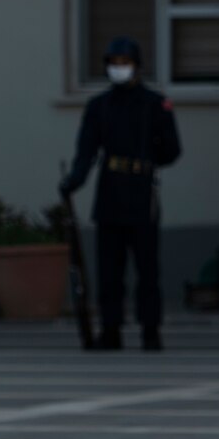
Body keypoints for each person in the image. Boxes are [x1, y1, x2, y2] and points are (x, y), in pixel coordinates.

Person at [60, 35, 181, 350]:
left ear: (137, 66)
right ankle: (110, 329)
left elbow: (172, 149)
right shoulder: (99, 106)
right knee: (109, 270)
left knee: (147, 270)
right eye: (114, 64)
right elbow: (86, 151)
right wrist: (74, 180)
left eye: (124, 63)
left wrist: (149, 157)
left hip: (141, 191)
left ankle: (150, 330)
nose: (119, 69)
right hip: (111, 191)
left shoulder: (154, 104)